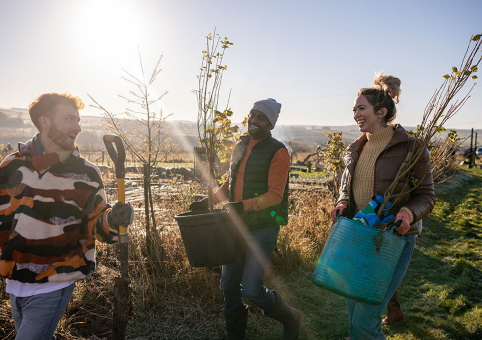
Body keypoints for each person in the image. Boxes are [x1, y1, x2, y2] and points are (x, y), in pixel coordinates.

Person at [0, 92, 134, 340]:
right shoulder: (11, 166)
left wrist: (114, 220)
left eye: (78, 120)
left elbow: (96, 226)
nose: (78, 127)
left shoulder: (86, 173)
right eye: (70, 119)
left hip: (55, 281)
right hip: (15, 281)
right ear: (45, 122)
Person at [330, 73, 435, 340]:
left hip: (391, 240)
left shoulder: (411, 148)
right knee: (354, 317)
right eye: (354, 109)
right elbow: (346, 187)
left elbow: (426, 195)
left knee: (365, 321)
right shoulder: (355, 149)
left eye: (361, 108)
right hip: (357, 237)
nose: (355, 114)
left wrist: (407, 213)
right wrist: (342, 202)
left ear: (381, 112)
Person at [189, 98, 301, 339]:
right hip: (237, 226)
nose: (255, 121)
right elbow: (230, 184)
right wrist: (209, 201)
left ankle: (291, 316)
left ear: (271, 124)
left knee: (252, 289)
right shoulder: (239, 147)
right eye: (253, 115)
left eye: (262, 118)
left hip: (264, 227)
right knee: (228, 285)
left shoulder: (278, 151)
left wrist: (242, 206)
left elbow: (275, 195)